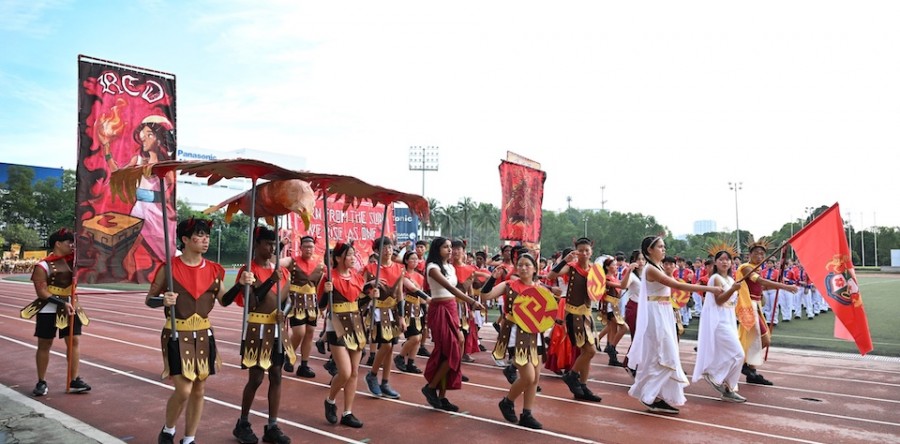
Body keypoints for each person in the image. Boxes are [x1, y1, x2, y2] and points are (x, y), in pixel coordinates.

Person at [147, 218, 254, 444]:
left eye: (207, 235)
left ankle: (189, 438)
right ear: (185, 239)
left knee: (199, 389)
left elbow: (224, 300)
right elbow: (150, 299)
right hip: (177, 333)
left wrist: (240, 285)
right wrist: (162, 300)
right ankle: (168, 429)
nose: (206, 240)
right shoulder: (169, 268)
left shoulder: (214, 269)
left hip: (204, 334)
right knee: (184, 390)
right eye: (200, 235)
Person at [627, 235, 722, 414]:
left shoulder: (658, 267)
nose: (664, 249)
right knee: (664, 354)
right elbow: (676, 285)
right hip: (656, 314)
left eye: (664, 246)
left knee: (661, 355)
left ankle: (655, 395)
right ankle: (649, 395)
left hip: (663, 311)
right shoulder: (651, 269)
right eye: (660, 247)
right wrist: (709, 289)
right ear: (649, 250)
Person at [230, 226, 293, 444]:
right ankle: (243, 423)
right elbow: (252, 302)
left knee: (276, 375)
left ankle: (272, 426)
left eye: (275, 244)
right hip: (257, 329)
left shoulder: (282, 272)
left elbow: (289, 300)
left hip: (276, 329)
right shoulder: (248, 271)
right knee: (256, 378)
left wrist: (284, 312)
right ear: (256, 245)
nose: (272, 248)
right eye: (268, 244)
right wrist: (271, 281)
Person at [481, 252, 550, 429]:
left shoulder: (540, 288)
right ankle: (507, 401)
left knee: (535, 379)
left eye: (527, 265)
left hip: (535, 335)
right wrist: (492, 278)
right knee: (528, 376)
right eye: (520, 265)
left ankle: (527, 414)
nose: (523, 268)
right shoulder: (508, 285)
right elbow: (485, 296)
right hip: (514, 335)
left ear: (535, 269)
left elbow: (547, 312)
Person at [22, 228, 91, 397]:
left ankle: (74, 379)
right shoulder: (43, 265)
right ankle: (41, 381)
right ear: (58, 244)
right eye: (69, 242)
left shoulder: (75, 263)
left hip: (72, 305)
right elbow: (41, 292)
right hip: (48, 308)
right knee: (45, 343)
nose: (72, 245)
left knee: (74, 341)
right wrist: (61, 303)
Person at [420, 237, 485, 412]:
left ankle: (441, 396)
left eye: (450, 247)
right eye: (445, 247)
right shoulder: (432, 268)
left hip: (452, 308)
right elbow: (451, 288)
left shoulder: (450, 267)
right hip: (440, 309)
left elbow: (460, 287)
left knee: (453, 349)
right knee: (451, 351)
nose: (449, 250)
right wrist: (472, 301)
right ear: (437, 249)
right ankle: (431, 388)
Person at [318, 242, 369, 428]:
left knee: (354, 372)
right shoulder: (329, 277)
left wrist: (371, 295)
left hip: (355, 323)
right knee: (345, 372)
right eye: (349, 255)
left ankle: (347, 412)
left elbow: (359, 302)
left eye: (354, 254)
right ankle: (330, 400)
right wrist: (326, 293)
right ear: (338, 258)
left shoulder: (357, 277)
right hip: (337, 323)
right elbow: (321, 305)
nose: (353, 258)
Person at [546, 237, 602, 402]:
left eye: (587, 250)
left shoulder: (594, 270)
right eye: (581, 250)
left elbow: (599, 288)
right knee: (590, 351)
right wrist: (565, 260)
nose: (584, 253)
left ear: (591, 251)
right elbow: (551, 275)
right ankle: (572, 376)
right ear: (576, 251)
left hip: (587, 314)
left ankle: (582, 387)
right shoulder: (571, 267)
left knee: (586, 353)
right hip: (573, 314)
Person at [736, 239, 798, 386]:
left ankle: (751, 371)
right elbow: (761, 282)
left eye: (762, 254)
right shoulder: (746, 268)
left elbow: (761, 287)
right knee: (764, 340)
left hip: (757, 306)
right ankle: (742, 362)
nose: (759, 256)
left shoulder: (757, 269)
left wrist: (769, 290)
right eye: (756, 253)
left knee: (756, 339)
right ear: (749, 255)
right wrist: (785, 287)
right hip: (748, 307)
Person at [691, 243, 745, 403]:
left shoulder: (730, 279)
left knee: (730, 354)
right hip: (719, 320)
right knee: (739, 354)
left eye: (727, 259)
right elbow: (719, 300)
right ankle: (714, 375)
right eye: (721, 259)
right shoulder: (715, 278)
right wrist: (733, 289)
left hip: (729, 319)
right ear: (715, 262)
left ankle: (728, 388)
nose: (725, 262)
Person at [363, 237, 407, 399]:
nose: (388, 250)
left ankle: (385, 382)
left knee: (390, 348)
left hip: (392, 311)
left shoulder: (399, 268)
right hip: (377, 310)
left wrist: (401, 317)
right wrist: (370, 285)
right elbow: (361, 289)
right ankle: (372, 374)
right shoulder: (370, 268)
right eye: (384, 248)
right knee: (386, 345)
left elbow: (400, 294)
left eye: (389, 247)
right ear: (376, 251)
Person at [283, 235, 324, 378]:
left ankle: (304, 365)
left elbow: (320, 286)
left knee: (310, 332)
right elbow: (276, 263)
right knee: (299, 332)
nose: (308, 249)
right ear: (300, 248)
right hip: (296, 302)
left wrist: (321, 306)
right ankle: (289, 355)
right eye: (306, 246)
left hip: (312, 302)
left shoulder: (320, 264)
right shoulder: (292, 261)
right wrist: (281, 245)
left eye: (311, 247)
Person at [394, 252, 430, 374]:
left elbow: (421, 294)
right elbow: (412, 288)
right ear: (406, 260)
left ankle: (411, 362)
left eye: (416, 259)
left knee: (418, 338)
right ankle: (400, 356)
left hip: (417, 308)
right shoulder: (403, 274)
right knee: (415, 337)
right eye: (412, 259)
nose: (415, 261)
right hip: (407, 307)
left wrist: (426, 308)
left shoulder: (420, 276)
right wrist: (428, 298)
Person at [595, 257, 631, 366]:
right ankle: (611, 347)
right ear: (607, 267)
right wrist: (630, 271)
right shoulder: (606, 279)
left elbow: (622, 287)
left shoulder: (613, 278)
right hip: (609, 308)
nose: (616, 267)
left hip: (614, 307)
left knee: (612, 331)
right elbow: (622, 285)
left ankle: (612, 358)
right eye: (614, 265)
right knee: (624, 328)